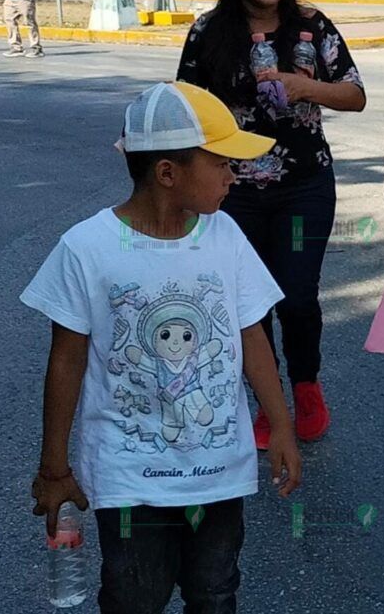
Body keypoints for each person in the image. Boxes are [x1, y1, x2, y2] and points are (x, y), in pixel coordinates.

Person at [23, 81, 303, 612]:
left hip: (218, 472)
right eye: (220, 162)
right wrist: (54, 468)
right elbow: (66, 360)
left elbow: (252, 333)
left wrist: (281, 423)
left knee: (216, 593)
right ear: (168, 173)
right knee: (134, 597)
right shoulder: (87, 248)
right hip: (130, 480)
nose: (232, 174)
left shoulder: (225, 236)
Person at [178, 0, 366, 449]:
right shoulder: (207, 32)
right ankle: (268, 398)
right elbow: (186, 108)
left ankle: (306, 386)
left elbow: (355, 95)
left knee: (298, 297)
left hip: (304, 184)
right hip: (231, 191)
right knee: (247, 303)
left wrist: (306, 86)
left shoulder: (313, 25)